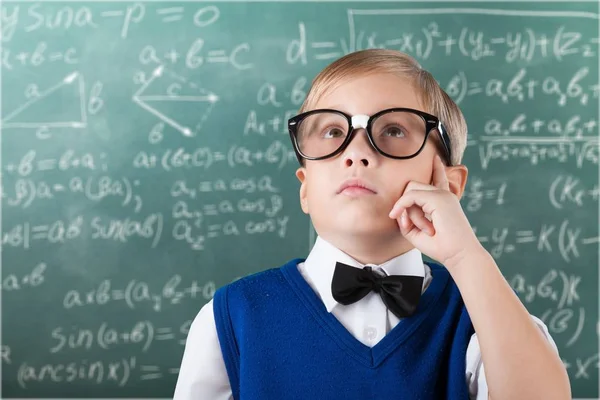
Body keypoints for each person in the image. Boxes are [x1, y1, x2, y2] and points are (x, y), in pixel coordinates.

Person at [173, 49, 571, 399]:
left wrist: (466, 256)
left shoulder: (484, 320)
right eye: (332, 131)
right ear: (305, 188)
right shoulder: (230, 317)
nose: (357, 152)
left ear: (448, 185)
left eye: (393, 130)